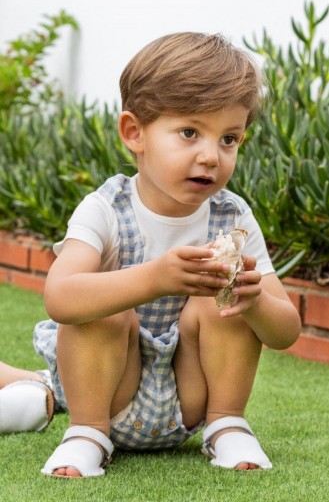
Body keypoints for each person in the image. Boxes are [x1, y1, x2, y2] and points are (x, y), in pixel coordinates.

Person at [0, 32, 301, 477]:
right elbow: (60, 298)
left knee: (224, 297)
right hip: (106, 395)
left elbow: (286, 332)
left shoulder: (233, 216)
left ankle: (228, 424)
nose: (211, 156)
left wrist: (252, 302)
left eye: (229, 139)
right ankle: (82, 430)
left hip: (191, 403)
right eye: (189, 132)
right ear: (134, 132)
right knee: (100, 306)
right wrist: (155, 278)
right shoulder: (105, 209)